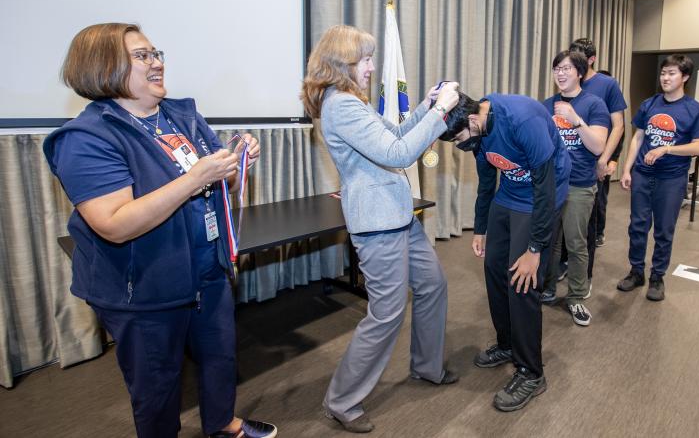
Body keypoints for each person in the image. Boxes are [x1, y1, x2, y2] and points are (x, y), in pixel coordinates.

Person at [43, 23, 276, 438]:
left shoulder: (181, 115)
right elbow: (113, 224)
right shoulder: (86, 138)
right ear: (104, 67)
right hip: (144, 287)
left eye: (156, 53)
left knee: (220, 355)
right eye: (142, 56)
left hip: (207, 268)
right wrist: (194, 178)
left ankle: (223, 424)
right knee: (157, 386)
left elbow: (219, 186)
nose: (157, 63)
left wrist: (235, 166)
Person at [300, 25, 460, 434]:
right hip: (378, 224)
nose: (372, 67)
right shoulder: (342, 106)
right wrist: (443, 112)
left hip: (396, 215)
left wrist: (425, 107)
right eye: (366, 59)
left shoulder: (352, 101)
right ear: (344, 64)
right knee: (386, 314)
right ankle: (341, 400)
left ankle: (426, 367)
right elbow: (401, 153)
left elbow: (397, 136)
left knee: (433, 285)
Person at [438, 90, 571, 411]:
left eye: (460, 139)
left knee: (523, 281)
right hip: (509, 194)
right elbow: (487, 182)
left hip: (541, 196)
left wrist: (535, 249)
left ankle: (531, 371)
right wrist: (481, 227)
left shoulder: (523, 119)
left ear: (473, 120)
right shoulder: (476, 128)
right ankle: (508, 344)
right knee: (495, 270)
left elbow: (545, 186)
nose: (460, 145)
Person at [617, 54, 699, 301]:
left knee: (664, 230)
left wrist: (667, 149)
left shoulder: (694, 109)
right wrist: (627, 169)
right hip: (643, 175)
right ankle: (637, 271)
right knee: (637, 226)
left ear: (685, 77)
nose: (665, 78)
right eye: (663, 73)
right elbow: (638, 137)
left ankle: (657, 277)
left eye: (672, 73)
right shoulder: (649, 104)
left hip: (672, 179)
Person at [541, 50, 609, 326]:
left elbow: (598, 146)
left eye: (567, 68)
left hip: (580, 183)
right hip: (550, 183)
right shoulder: (546, 104)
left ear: (580, 72)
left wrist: (574, 119)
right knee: (549, 240)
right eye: (557, 68)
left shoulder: (594, 105)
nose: (560, 73)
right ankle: (546, 287)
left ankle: (577, 296)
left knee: (576, 241)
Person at [569, 39, 627, 267]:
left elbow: (619, 125)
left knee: (591, 216)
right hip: (569, 162)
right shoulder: (569, 82)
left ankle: (585, 272)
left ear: (591, 60)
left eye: (578, 57)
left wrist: (607, 159)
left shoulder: (607, 84)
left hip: (594, 160)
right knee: (565, 220)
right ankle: (565, 264)